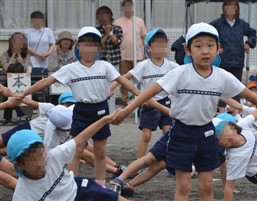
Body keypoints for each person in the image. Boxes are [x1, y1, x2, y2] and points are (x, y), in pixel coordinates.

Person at [111, 22, 257, 201]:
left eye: (210, 45)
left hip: (206, 134)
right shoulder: (179, 73)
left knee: (206, 185)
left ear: (218, 49)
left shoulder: (222, 77)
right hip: (181, 133)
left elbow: (249, 97)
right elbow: (149, 92)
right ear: (188, 50)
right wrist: (125, 111)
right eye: (199, 46)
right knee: (183, 184)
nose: (205, 50)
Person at [7, 111, 180, 201]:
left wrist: (104, 120)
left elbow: (81, 137)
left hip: (82, 187)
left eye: (40, 153)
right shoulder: (24, 191)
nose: (40, 161)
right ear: (19, 164)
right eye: (32, 159)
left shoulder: (53, 156)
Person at [15, 27, 147, 188]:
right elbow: (46, 81)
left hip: (101, 110)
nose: (89, 48)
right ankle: (72, 185)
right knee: (75, 151)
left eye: (93, 45)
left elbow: (122, 81)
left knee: (100, 152)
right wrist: (24, 93)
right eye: (85, 44)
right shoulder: (71, 68)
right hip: (81, 111)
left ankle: (100, 185)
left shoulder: (104, 66)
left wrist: (140, 94)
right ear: (78, 47)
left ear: (98, 48)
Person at [110, 29, 178, 161]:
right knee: (146, 135)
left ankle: (171, 163)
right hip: (148, 104)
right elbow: (126, 77)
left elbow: (186, 74)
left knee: (169, 133)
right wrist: (112, 87)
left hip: (166, 103)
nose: (160, 48)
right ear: (149, 47)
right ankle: (141, 162)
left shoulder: (172, 66)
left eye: (163, 45)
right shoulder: (144, 65)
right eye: (157, 45)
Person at [210, 0, 257, 112]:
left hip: (237, 60)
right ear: (224, 9)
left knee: (236, 86)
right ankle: (221, 110)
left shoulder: (242, 24)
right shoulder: (217, 24)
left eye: (233, 7)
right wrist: (215, 47)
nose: (230, 9)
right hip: (222, 60)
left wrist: (248, 43)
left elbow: (252, 33)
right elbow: (208, 34)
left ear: (237, 9)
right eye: (227, 7)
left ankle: (235, 111)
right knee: (221, 85)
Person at [114, 0, 147, 107]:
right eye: (126, 5)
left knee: (141, 79)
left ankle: (141, 100)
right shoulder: (117, 23)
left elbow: (143, 37)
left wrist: (146, 52)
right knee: (124, 80)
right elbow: (115, 39)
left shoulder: (139, 21)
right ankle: (125, 102)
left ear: (133, 7)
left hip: (138, 55)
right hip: (123, 55)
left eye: (130, 5)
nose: (128, 7)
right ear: (122, 8)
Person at [96, 6, 123, 113]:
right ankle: (102, 110)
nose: (103, 17)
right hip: (101, 62)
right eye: (101, 14)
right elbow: (98, 46)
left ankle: (111, 111)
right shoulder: (97, 30)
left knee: (112, 87)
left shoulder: (117, 28)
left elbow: (117, 43)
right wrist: (106, 34)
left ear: (110, 16)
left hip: (114, 62)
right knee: (101, 86)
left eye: (106, 14)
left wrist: (110, 33)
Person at [1, 32, 30, 124]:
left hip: (22, 80)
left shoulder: (27, 55)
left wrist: (20, 56)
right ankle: (19, 113)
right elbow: (6, 68)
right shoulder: (5, 54)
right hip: (8, 79)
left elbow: (24, 68)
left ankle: (8, 118)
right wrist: (13, 56)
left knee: (14, 95)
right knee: (9, 93)